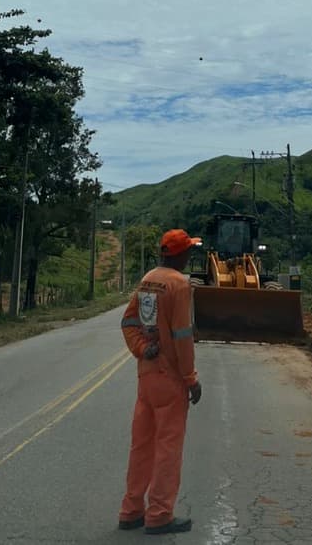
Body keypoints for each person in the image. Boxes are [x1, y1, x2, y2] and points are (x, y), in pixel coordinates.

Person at [117, 229, 203, 535]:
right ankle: (159, 515)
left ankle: (131, 511)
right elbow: (182, 336)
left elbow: (128, 322)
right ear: (179, 255)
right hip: (170, 379)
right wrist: (191, 379)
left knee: (141, 445)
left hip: (146, 375)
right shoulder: (179, 285)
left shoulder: (148, 280)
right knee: (168, 447)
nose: (190, 255)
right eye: (189, 251)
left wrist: (142, 348)